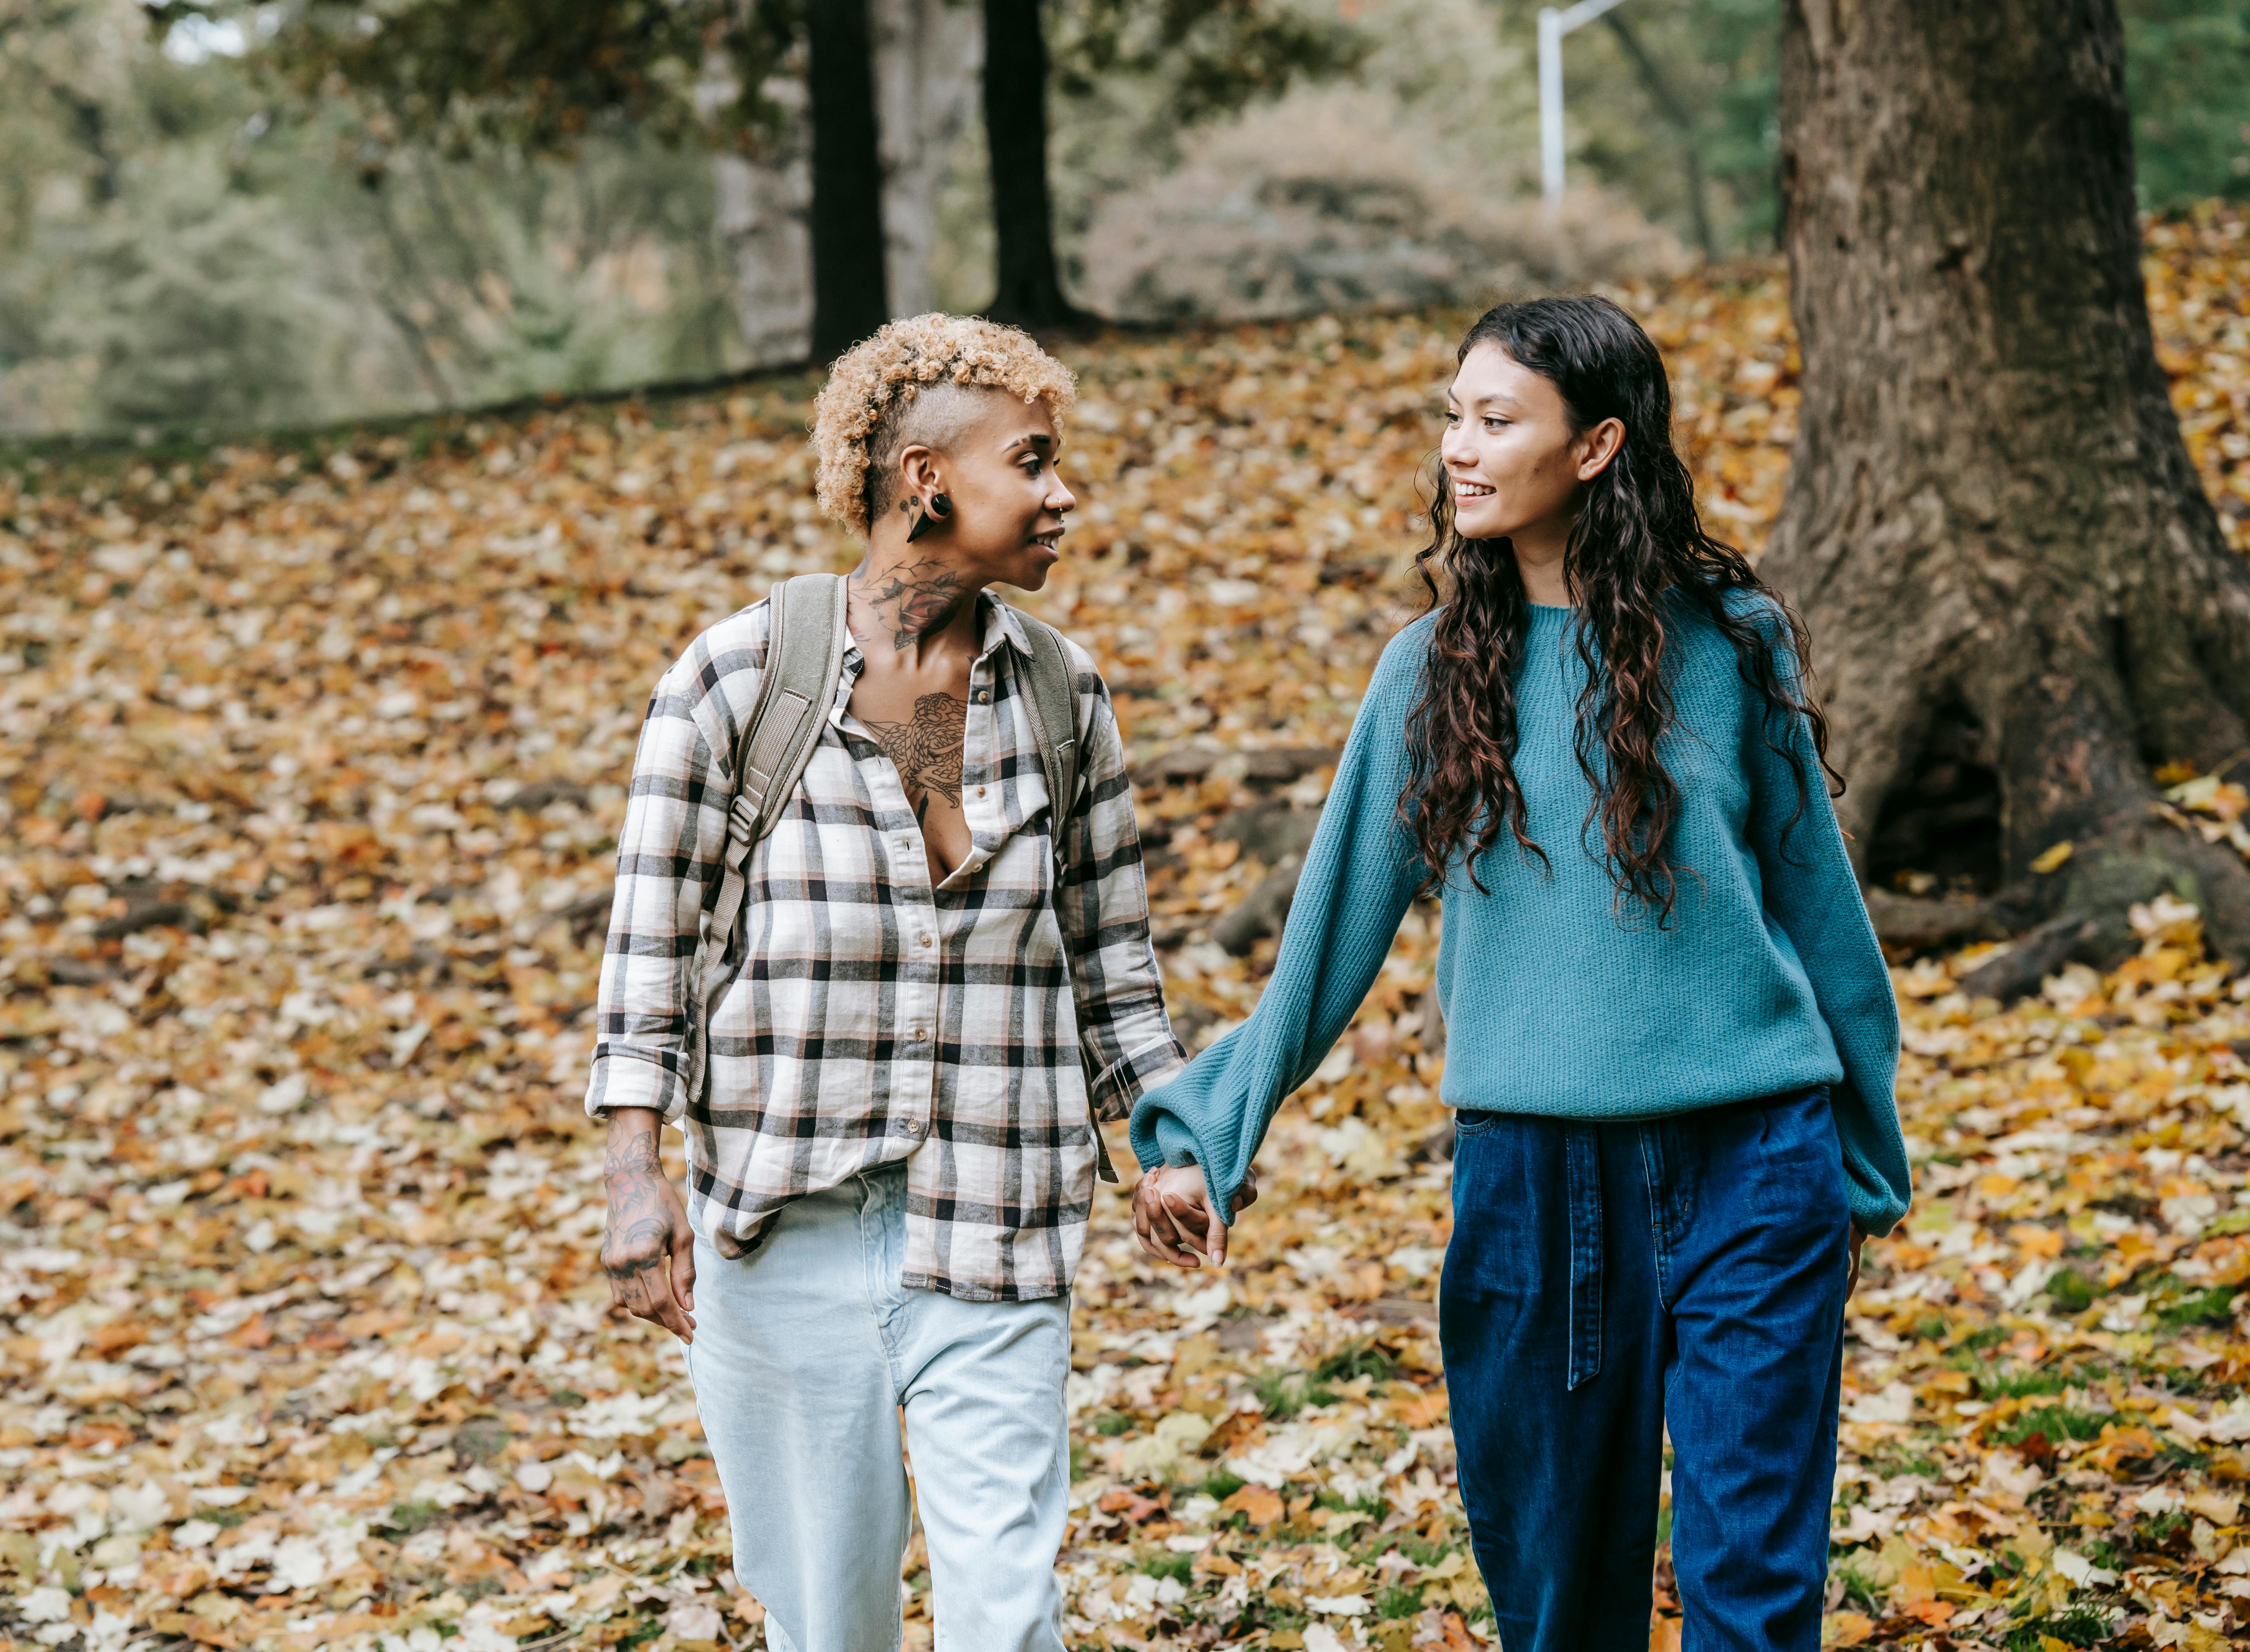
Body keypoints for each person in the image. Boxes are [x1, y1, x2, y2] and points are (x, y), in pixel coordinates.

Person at [1126, 295, 1912, 1651]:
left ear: (1598, 446)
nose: (1460, 448)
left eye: (1497, 420)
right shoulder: (1428, 676)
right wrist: (1209, 1131)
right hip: (1534, 1192)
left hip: (1754, 1164)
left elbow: (1819, 909)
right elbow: (1328, 942)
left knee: (1757, 1598)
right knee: (1557, 1609)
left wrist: (1863, 1155)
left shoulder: (1730, 643)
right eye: (1453, 416)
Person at [587, 313, 1188, 1652]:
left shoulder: (1060, 695)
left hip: (998, 1212)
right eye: (1030, 461)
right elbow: (649, 955)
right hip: (785, 1226)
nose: (1062, 492)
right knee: (829, 1628)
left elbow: (1114, 959)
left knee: (1005, 1620)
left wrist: (1173, 1136)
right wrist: (637, 1179)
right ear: (925, 481)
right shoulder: (740, 679)